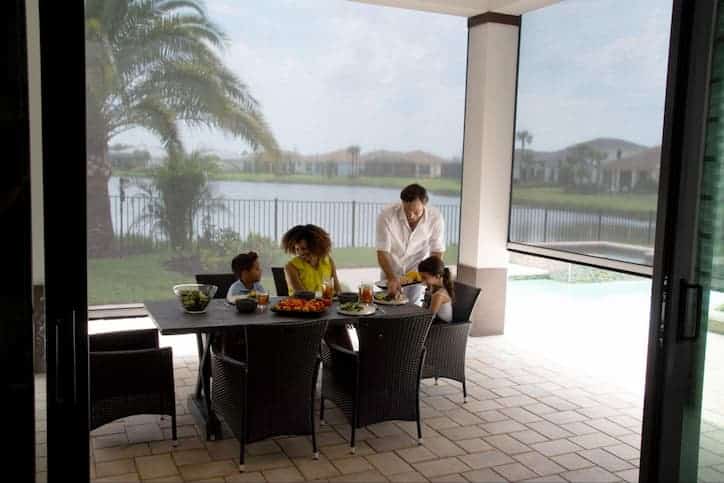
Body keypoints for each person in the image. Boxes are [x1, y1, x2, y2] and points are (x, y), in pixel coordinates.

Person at [376, 184, 445, 303]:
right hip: (391, 273)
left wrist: (431, 276)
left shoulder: (435, 218)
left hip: (417, 275)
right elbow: (382, 251)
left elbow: (437, 250)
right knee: (388, 309)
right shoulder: (386, 216)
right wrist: (391, 278)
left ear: (425, 204)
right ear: (402, 203)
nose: (410, 215)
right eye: (407, 210)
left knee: (412, 311)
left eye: (416, 211)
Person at [282, 224, 341, 295]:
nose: (300, 253)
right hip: (301, 305)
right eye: (297, 249)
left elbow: (337, 289)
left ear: (315, 246)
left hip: (325, 303)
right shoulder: (291, 266)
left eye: (304, 249)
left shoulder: (328, 261)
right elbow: (302, 295)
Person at [418, 256, 454, 323]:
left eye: (424, 277)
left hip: (440, 329)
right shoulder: (435, 289)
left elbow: (429, 319)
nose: (422, 281)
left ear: (437, 276)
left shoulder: (439, 295)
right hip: (435, 325)